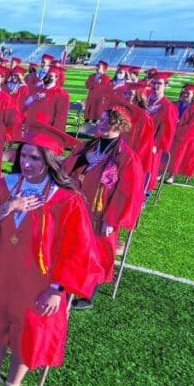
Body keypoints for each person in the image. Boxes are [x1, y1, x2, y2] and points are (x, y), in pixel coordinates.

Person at [0, 123, 99, 386]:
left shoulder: (66, 199)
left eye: (35, 158)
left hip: (39, 283)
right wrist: (10, 207)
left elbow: (78, 250)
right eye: (24, 156)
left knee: (26, 334)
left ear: (50, 161)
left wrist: (58, 290)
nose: (27, 163)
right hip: (1, 273)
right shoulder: (6, 186)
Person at [62, 104, 145, 310]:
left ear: (118, 124)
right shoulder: (90, 146)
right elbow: (66, 167)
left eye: (107, 121)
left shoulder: (126, 157)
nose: (101, 124)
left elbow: (129, 192)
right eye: (101, 119)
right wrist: (81, 159)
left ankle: (88, 295)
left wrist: (112, 219)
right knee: (73, 246)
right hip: (79, 205)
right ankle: (67, 283)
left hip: (102, 212)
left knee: (96, 252)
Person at [165, 85, 194, 183]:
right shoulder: (174, 104)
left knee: (178, 154)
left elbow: (193, 125)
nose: (185, 95)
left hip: (185, 136)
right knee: (165, 152)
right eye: (184, 93)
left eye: (188, 93)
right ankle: (161, 172)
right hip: (170, 133)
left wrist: (178, 129)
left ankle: (172, 175)